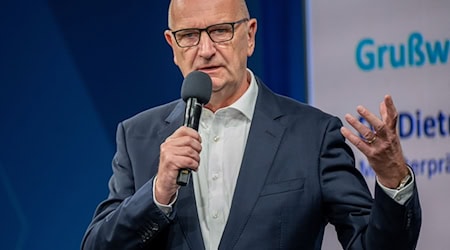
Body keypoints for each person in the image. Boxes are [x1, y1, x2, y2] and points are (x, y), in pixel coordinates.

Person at [81, 0, 421, 249]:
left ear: (250, 36)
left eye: (220, 31)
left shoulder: (312, 135)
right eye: (189, 35)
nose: (205, 50)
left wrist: (393, 179)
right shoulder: (138, 136)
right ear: (172, 45)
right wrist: (158, 192)